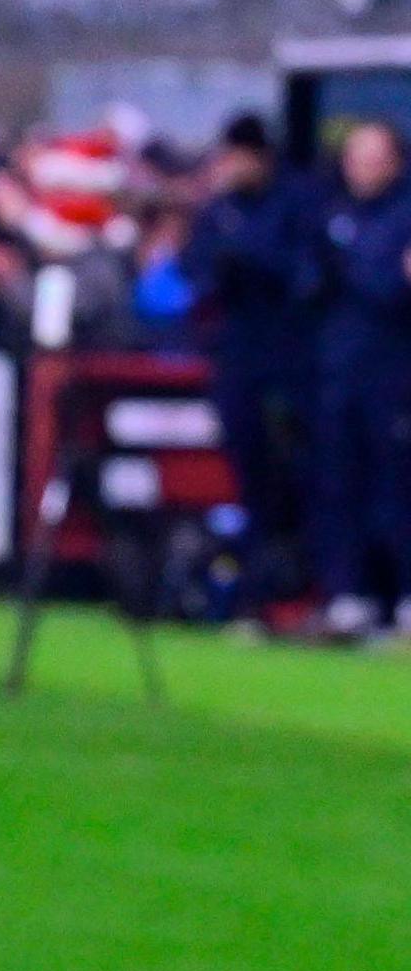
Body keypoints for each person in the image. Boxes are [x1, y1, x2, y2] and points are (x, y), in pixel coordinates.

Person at [184, 113, 325, 619]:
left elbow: (307, 277)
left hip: (289, 363)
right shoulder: (218, 209)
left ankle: (305, 588)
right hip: (236, 358)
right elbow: (193, 272)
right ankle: (252, 592)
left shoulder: (297, 202)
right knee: (248, 481)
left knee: (299, 476)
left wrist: (246, 254)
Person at [309, 119, 411, 639]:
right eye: (354, 156)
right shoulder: (332, 210)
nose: (361, 168)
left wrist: (355, 269)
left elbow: (397, 289)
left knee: (397, 487)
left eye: (372, 157)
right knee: (339, 486)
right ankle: (350, 597)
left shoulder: (404, 214)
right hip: (338, 374)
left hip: (394, 374)